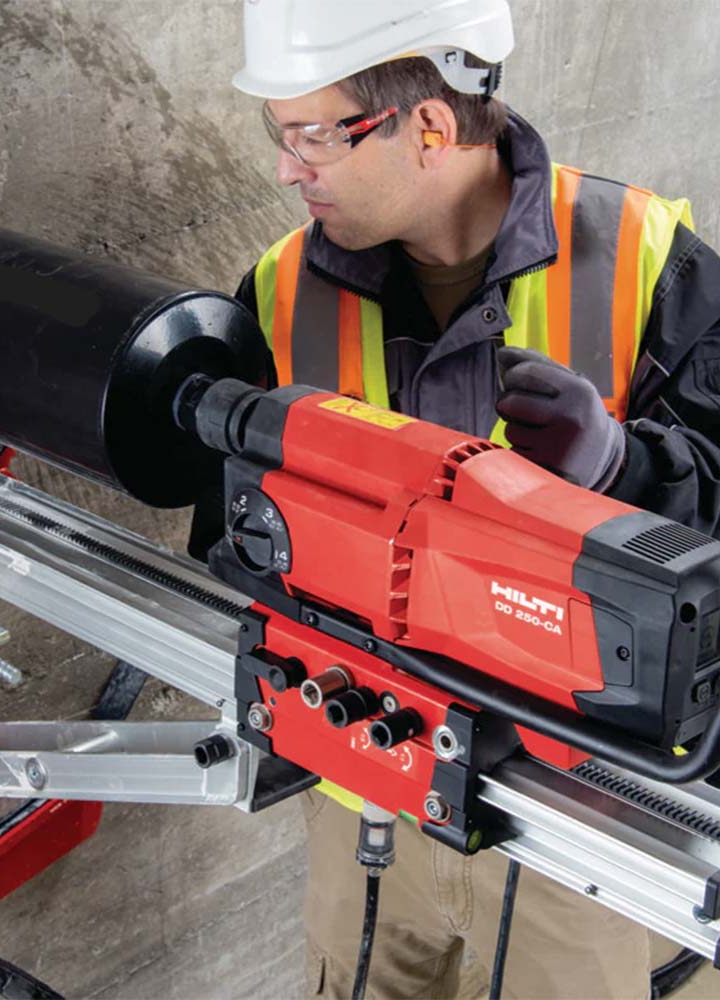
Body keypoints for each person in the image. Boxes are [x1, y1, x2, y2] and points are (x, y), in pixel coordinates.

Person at [229, 1, 720, 997]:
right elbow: (235, 544)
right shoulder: (277, 292)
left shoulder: (645, 262)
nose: (286, 168)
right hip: (362, 799)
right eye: (278, 133)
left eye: (313, 135)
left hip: (579, 834)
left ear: (428, 126)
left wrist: (623, 470)